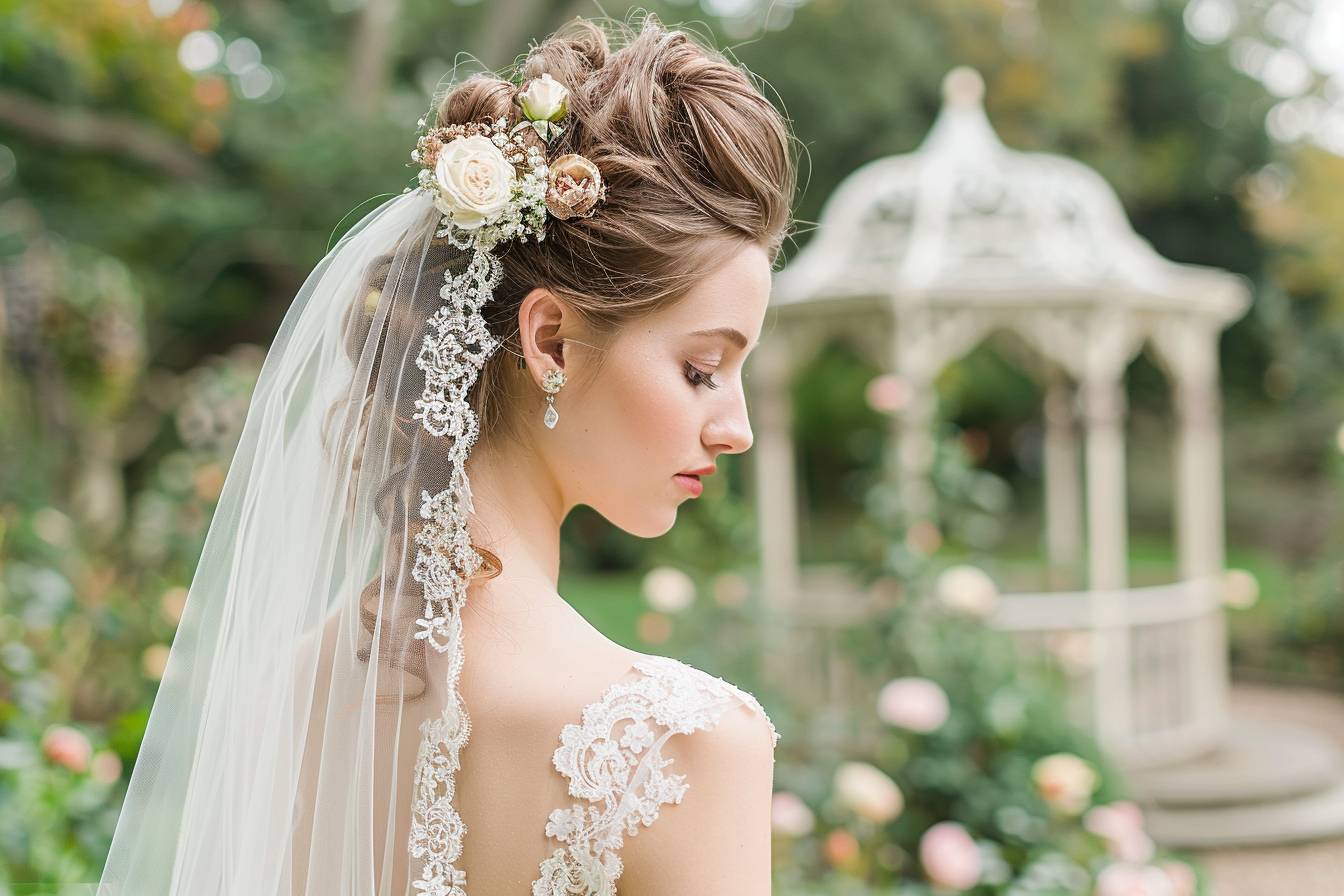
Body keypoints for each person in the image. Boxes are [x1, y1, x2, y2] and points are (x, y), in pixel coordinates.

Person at [96, 11, 798, 896]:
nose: (735, 427)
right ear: (550, 341)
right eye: (702, 370)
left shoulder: (285, 695)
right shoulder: (687, 748)